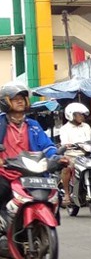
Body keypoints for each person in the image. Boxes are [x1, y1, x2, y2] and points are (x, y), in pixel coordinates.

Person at [0, 84, 67, 231]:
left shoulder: (33, 125)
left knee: (53, 194)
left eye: (22, 98)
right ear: (5, 102)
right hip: (7, 172)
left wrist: (56, 157)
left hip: (31, 172)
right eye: (15, 99)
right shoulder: (1, 123)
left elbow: (47, 146)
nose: (20, 101)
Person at [59, 102, 91, 208]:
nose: (82, 117)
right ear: (71, 115)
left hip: (86, 155)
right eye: (79, 114)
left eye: (82, 114)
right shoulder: (65, 129)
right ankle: (66, 193)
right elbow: (64, 142)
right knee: (66, 168)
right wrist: (67, 145)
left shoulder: (86, 126)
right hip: (72, 155)